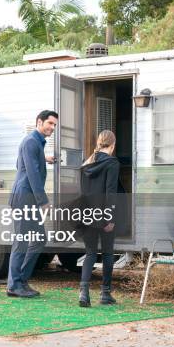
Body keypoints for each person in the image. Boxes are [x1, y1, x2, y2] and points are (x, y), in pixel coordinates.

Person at [6, 110, 57, 298]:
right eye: (50, 124)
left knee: (38, 239)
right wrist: (43, 201)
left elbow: (20, 163)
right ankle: (14, 285)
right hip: (24, 198)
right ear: (39, 122)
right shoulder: (31, 142)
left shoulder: (35, 144)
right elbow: (33, 175)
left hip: (29, 198)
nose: (52, 128)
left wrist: (44, 159)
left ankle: (21, 280)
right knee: (21, 241)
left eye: (54, 125)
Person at [78, 130, 120, 307]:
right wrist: (110, 217)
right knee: (108, 253)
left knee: (90, 253)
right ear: (112, 145)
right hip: (103, 213)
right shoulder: (112, 163)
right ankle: (105, 294)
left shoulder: (86, 164)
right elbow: (111, 192)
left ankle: (84, 294)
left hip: (86, 213)